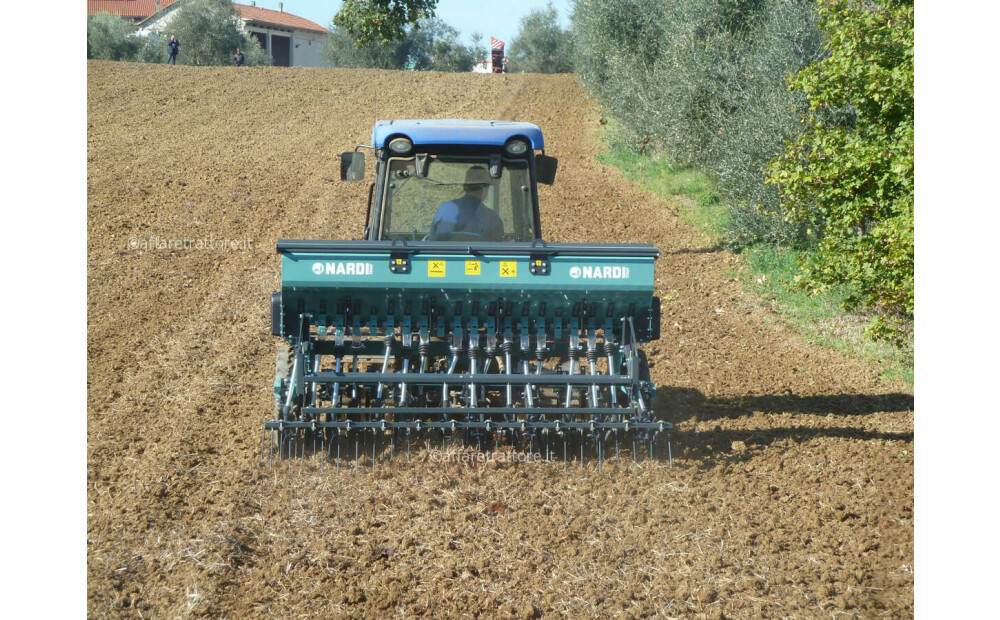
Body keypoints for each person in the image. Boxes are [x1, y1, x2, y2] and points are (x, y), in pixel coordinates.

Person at [429, 166, 504, 241]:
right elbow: (496, 247)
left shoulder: (445, 209)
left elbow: (432, 241)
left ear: (464, 186)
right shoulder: (492, 218)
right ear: (485, 189)